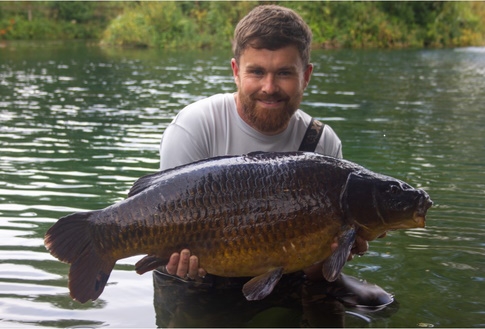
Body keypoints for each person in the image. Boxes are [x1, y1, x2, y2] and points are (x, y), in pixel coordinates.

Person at [154, 4, 393, 327]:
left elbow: (316, 263)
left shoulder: (321, 143)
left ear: (305, 75)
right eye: (256, 72)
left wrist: (332, 251)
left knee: (377, 304)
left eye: (284, 73)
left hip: (284, 271)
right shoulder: (196, 127)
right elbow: (163, 219)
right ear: (236, 71)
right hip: (200, 276)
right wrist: (175, 258)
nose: (269, 87)